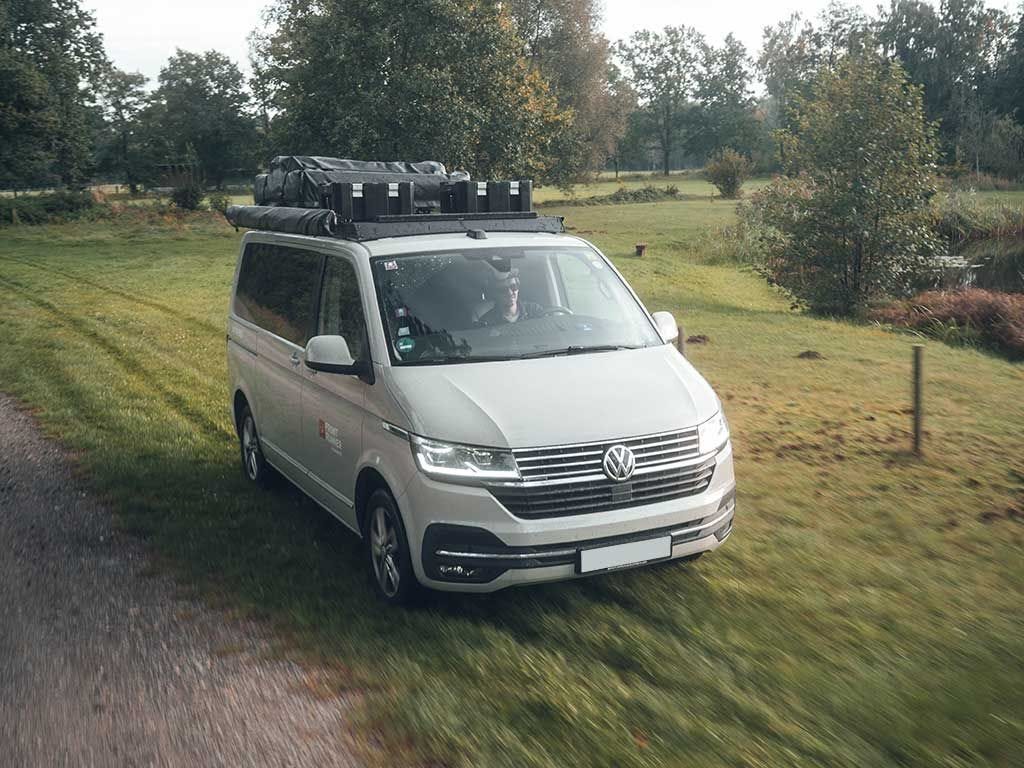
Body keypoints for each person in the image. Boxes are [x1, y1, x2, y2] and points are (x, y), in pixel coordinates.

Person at [476, 268, 543, 325]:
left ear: (518, 288)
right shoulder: (486, 322)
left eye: (513, 287)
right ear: (495, 293)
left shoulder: (534, 311)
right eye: (503, 289)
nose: (510, 293)